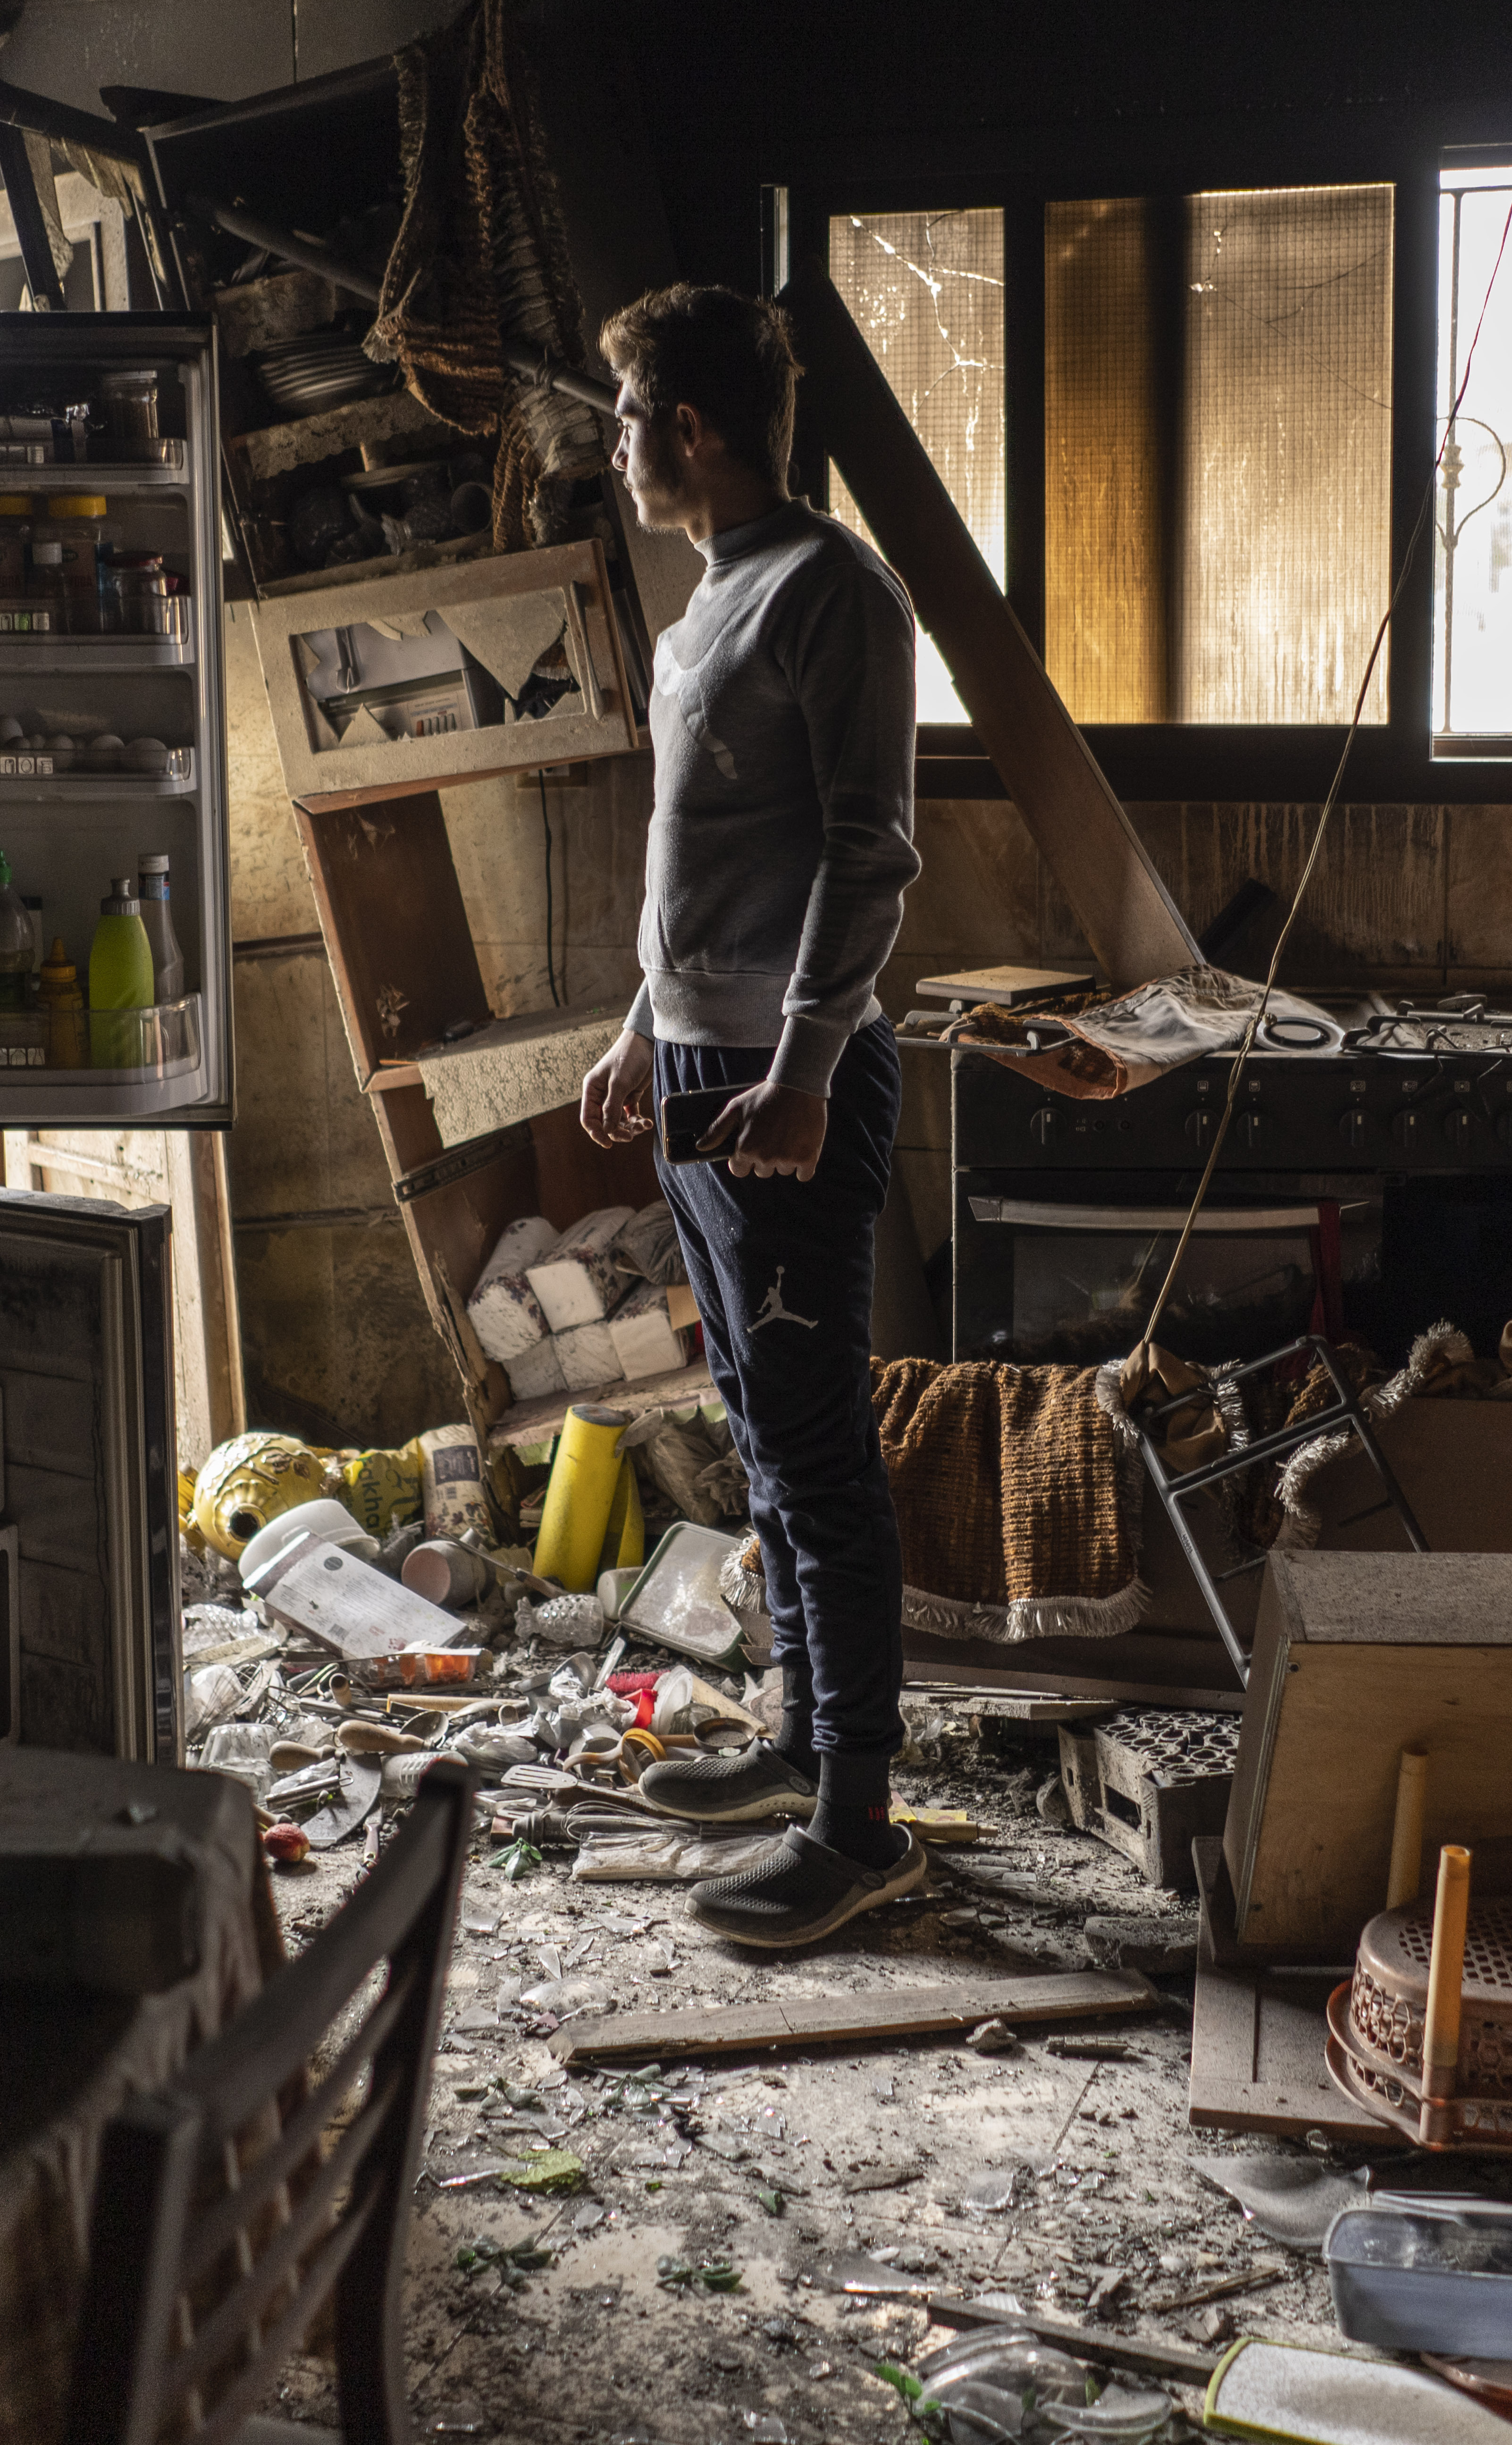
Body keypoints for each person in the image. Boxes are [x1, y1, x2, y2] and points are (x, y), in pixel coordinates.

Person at [576, 282, 926, 1949]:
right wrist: (639, 1030)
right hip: (702, 1073)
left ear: (692, 427)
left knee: (816, 1448)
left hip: (790, 1087)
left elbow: (871, 849)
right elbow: (705, 865)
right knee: (760, 1429)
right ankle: (798, 1746)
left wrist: (801, 1067)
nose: (615, 449)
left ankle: (860, 1827)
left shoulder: (833, 593)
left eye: (626, 421)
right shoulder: (704, 606)